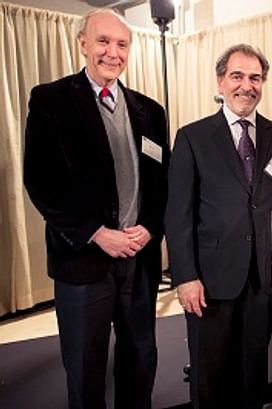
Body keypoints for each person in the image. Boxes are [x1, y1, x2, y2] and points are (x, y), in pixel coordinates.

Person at [23, 9, 169, 409]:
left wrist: (149, 227)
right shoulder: (51, 100)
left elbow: (160, 184)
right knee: (86, 368)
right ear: (83, 43)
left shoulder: (150, 111)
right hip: (84, 261)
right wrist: (97, 233)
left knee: (141, 358)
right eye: (103, 41)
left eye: (122, 44)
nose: (113, 52)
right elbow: (41, 183)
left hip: (138, 261)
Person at [164, 44, 272, 409]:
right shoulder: (192, 137)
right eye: (237, 76)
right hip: (209, 281)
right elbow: (177, 215)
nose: (247, 85)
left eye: (255, 78)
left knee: (253, 370)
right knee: (210, 374)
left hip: (262, 280)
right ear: (221, 81)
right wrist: (185, 277)